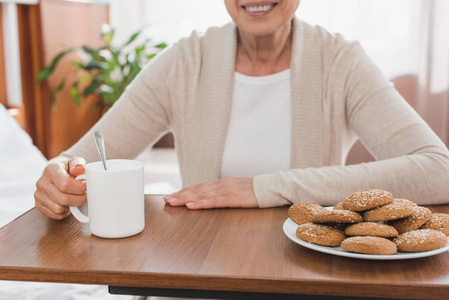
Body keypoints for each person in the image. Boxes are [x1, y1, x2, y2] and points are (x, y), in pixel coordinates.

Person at [35, 0, 449, 220]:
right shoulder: (185, 60)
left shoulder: (341, 61)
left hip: (311, 269)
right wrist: (59, 173)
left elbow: (438, 170)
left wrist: (262, 188)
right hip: (203, 268)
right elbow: (81, 159)